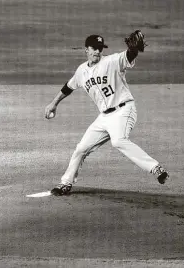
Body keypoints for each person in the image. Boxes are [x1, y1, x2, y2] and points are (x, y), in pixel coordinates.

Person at [44, 30, 169, 196]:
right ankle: (65, 184)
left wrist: (134, 50)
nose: (97, 51)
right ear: (86, 50)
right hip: (103, 117)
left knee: (118, 141)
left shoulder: (112, 61)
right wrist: (54, 103)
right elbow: (68, 87)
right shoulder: (81, 71)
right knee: (81, 148)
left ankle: (155, 168)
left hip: (124, 110)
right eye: (94, 48)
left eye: (100, 48)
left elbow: (128, 56)